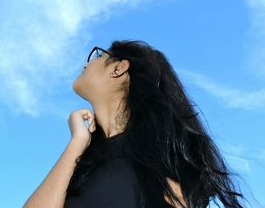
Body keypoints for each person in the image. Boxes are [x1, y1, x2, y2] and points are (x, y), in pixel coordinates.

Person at [23, 39, 247, 208]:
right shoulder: (83, 160)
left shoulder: (159, 161)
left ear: (118, 68)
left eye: (97, 56)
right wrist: (76, 145)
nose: (85, 65)